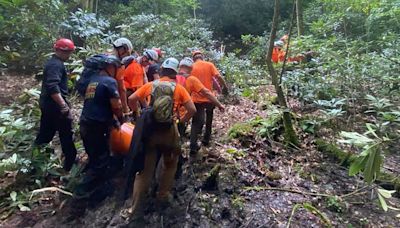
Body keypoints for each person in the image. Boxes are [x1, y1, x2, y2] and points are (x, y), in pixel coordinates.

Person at [126, 57, 196, 219]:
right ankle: (162, 195)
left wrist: (139, 114)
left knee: (144, 171)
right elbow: (191, 109)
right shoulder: (178, 88)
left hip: (150, 132)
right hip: (169, 131)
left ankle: (135, 209)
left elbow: (131, 99)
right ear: (175, 72)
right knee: (170, 163)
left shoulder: (151, 85)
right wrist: (180, 123)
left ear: (162, 70)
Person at [75, 54, 123, 202]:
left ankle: (95, 185)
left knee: (95, 157)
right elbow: (117, 106)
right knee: (100, 161)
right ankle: (81, 193)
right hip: (96, 126)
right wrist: (121, 118)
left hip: (85, 124)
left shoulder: (92, 81)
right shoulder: (109, 81)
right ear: (109, 67)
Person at [35, 38, 77, 171]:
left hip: (49, 105)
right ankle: (69, 165)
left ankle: (36, 161)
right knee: (65, 135)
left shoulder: (54, 63)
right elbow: (53, 86)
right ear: (61, 51)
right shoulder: (55, 65)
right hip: (55, 107)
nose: (69, 55)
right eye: (68, 52)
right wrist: (63, 106)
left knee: (45, 134)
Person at [190, 50, 228, 155]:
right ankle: (206, 139)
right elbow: (218, 77)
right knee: (209, 117)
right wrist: (224, 86)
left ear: (194, 58)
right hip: (209, 98)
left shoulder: (191, 67)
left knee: (196, 122)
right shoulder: (209, 65)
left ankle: (193, 146)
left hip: (196, 98)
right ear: (202, 57)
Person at [176, 57, 225, 137]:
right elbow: (208, 91)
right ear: (190, 68)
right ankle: (204, 138)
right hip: (180, 114)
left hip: (166, 114)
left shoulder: (171, 78)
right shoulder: (192, 79)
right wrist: (219, 103)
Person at [112, 37, 133, 117]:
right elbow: (122, 89)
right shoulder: (117, 64)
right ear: (124, 49)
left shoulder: (107, 60)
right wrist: (125, 109)